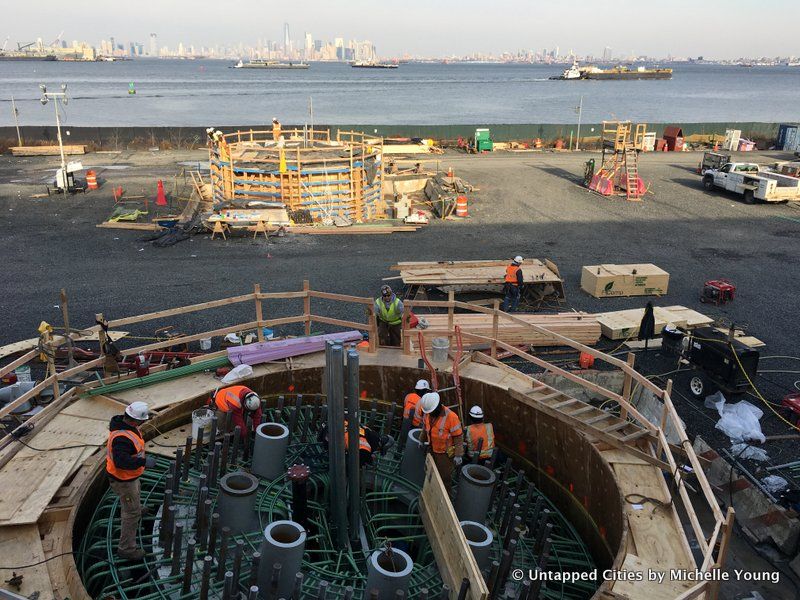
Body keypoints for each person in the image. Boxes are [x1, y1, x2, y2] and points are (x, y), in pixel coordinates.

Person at [107, 401, 157, 560]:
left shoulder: (127, 427)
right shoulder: (122, 438)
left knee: (136, 490)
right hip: (123, 480)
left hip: (130, 477)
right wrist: (143, 462)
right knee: (131, 514)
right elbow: (121, 462)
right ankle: (126, 549)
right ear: (135, 421)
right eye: (143, 421)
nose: (144, 423)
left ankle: (136, 507)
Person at [418, 392, 464, 487]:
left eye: (431, 411)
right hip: (431, 449)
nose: (430, 414)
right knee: (429, 470)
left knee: (444, 478)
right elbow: (425, 428)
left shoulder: (452, 417)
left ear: (438, 406)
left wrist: (458, 455)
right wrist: (421, 440)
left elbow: (458, 437)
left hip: (444, 454)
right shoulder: (428, 414)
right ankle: (430, 489)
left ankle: (445, 497)